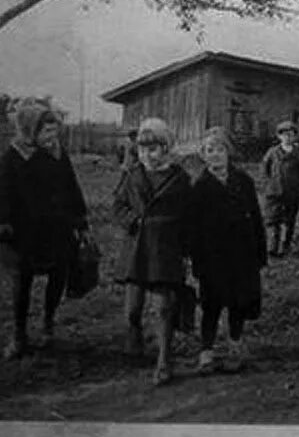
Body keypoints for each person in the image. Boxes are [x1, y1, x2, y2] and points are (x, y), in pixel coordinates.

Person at [0, 99, 90, 360]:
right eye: (46, 132)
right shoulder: (12, 157)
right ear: (30, 129)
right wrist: (0, 223)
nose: (52, 137)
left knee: (58, 275)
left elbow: (71, 187)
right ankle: (19, 335)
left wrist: (80, 220)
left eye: (54, 132)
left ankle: (48, 325)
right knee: (22, 282)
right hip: (23, 234)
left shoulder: (58, 154)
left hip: (57, 230)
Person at [112, 118, 193, 386]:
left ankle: (163, 359)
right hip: (136, 249)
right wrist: (131, 221)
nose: (149, 154)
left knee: (163, 308)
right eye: (143, 149)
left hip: (165, 250)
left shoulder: (180, 179)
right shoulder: (132, 174)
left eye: (154, 148)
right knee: (132, 310)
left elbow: (189, 215)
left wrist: (185, 249)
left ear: (167, 148)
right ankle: (134, 334)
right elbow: (119, 205)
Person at [190, 127, 266, 374]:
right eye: (209, 150)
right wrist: (197, 261)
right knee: (211, 305)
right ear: (203, 154)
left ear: (228, 152)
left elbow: (255, 219)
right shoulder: (199, 187)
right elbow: (193, 230)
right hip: (212, 258)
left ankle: (234, 344)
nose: (215, 155)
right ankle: (207, 351)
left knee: (238, 303)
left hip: (241, 256)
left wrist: (259, 254)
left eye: (220, 149)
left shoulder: (243, 182)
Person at [260, 121, 299, 257]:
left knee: (289, 220)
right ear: (279, 136)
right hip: (274, 192)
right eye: (284, 135)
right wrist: (268, 185)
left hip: (292, 192)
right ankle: (272, 246)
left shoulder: (298, 153)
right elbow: (264, 170)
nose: (288, 137)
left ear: (294, 137)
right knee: (273, 219)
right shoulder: (272, 152)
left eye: (291, 134)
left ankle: (284, 246)